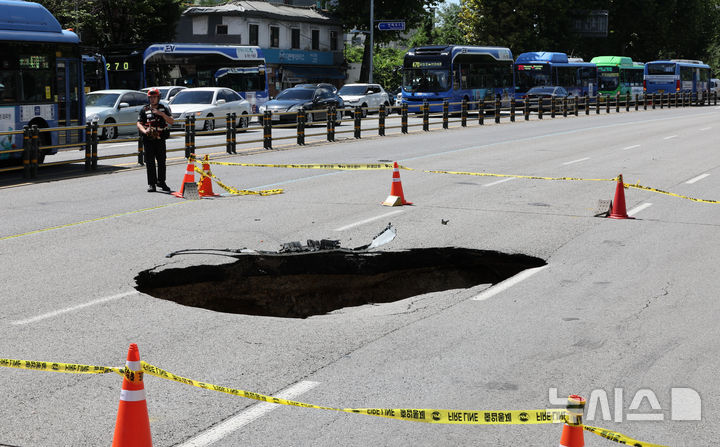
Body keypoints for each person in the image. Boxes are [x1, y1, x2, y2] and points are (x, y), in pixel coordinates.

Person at [137, 88, 174, 192]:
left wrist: (161, 114)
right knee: (150, 162)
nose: (152, 99)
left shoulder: (164, 108)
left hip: (160, 138)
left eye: (155, 97)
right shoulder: (144, 109)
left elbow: (171, 121)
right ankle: (152, 184)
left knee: (162, 161)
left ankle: (161, 182)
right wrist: (144, 131)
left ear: (158, 98)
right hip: (148, 139)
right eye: (151, 97)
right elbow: (139, 123)